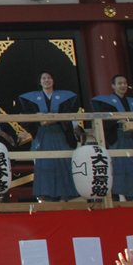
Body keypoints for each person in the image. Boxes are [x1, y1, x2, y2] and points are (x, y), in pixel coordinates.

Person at [17, 73, 80, 202]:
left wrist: (53, 119)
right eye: (44, 78)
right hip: (43, 133)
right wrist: (38, 118)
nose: (47, 80)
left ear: (53, 80)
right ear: (40, 82)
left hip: (60, 132)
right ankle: (45, 194)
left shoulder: (64, 96)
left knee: (63, 162)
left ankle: (65, 193)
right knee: (44, 164)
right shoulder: (32, 98)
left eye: (49, 78)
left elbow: (68, 113)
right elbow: (25, 115)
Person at [91, 75, 133, 200]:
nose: (123, 86)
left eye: (125, 83)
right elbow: (104, 122)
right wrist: (117, 120)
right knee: (120, 167)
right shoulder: (106, 102)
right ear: (113, 86)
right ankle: (118, 196)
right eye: (119, 83)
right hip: (118, 138)